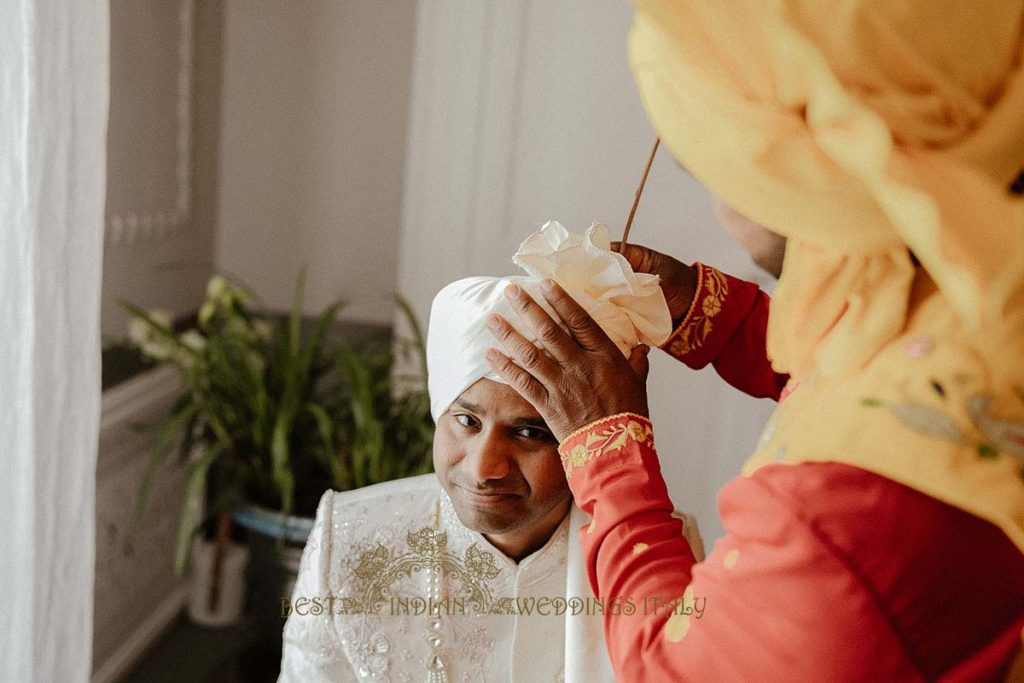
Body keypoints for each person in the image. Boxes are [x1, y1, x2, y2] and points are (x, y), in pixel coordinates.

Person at [482, 1, 1024, 680]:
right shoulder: (986, 266)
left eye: (713, 166)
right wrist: (714, 316)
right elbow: (901, 360)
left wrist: (608, 449)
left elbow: (672, 669)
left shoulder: (839, 519)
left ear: (799, 173)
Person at [277, 222, 704, 682]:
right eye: (467, 422)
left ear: (581, 441)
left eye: (530, 433)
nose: (483, 468)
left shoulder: (655, 554)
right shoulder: (349, 535)